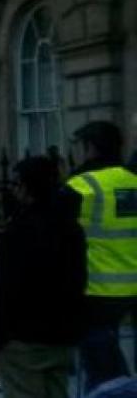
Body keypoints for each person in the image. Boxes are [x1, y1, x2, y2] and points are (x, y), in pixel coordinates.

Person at [0, 156, 86, 398]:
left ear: (26, 188)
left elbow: (6, 287)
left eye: (16, 184)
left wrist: (0, 334)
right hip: (61, 334)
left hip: (23, 338)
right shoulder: (71, 227)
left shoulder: (17, 230)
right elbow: (78, 279)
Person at [65, 121, 137, 392]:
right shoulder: (134, 181)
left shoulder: (80, 186)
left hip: (98, 288)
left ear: (91, 148)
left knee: (103, 374)